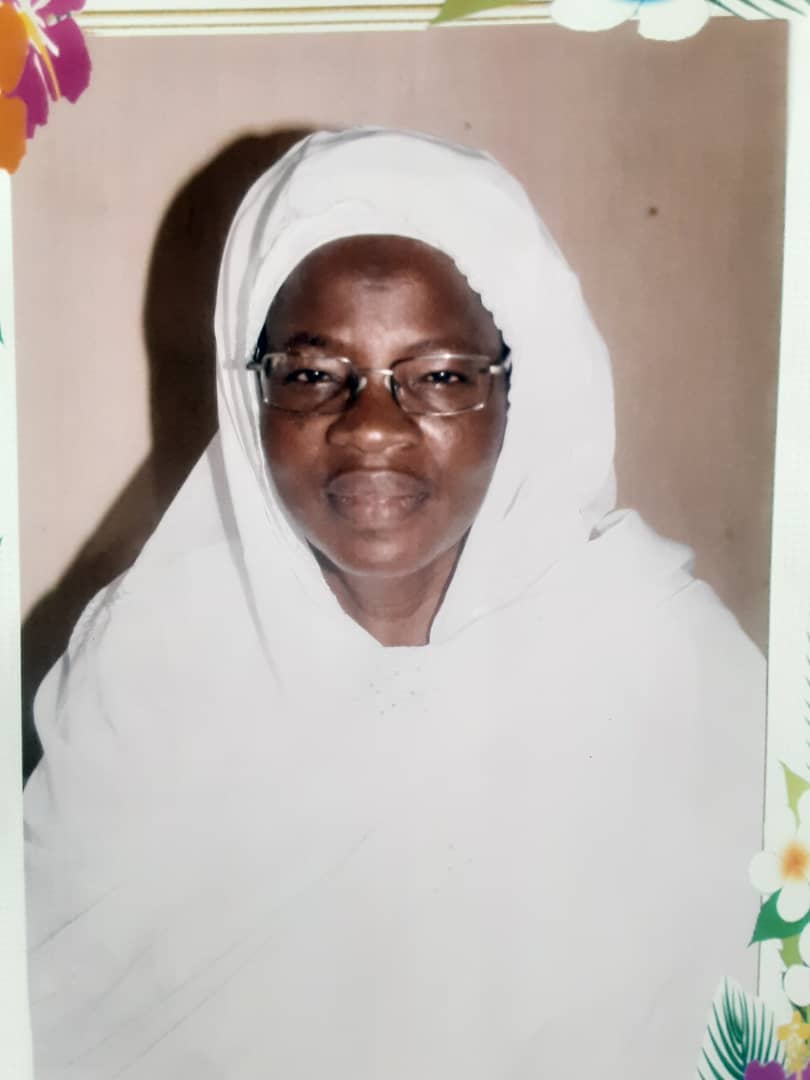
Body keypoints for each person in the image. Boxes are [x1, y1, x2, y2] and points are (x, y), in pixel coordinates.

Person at [23, 127, 765, 1079]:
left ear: (523, 392)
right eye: (312, 373)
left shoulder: (666, 664)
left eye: (442, 376)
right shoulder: (145, 669)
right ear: (250, 398)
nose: (371, 428)